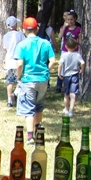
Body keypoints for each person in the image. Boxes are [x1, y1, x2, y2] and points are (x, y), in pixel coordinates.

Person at [14, 16, 55, 144]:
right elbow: (53, 61)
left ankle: (30, 136)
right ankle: (38, 132)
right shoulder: (45, 43)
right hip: (43, 80)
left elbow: (19, 64)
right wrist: (46, 71)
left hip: (28, 80)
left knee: (28, 109)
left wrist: (19, 76)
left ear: (24, 30)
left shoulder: (21, 45)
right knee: (39, 106)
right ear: (37, 28)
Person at [56, 10, 83, 92]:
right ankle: (59, 85)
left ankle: (73, 85)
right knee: (62, 66)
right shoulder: (63, 28)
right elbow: (60, 36)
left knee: (73, 67)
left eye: (71, 19)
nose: (69, 21)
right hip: (65, 50)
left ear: (74, 19)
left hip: (74, 51)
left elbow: (80, 41)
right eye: (68, 19)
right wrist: (64, 27)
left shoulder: (78, 29)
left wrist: (77, 46)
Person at [2, 15, 26, 107]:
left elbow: (5, 47)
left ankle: (9, 100)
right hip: (18, 61)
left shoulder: (5, 36)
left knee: (9, 82)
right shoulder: (20, 35)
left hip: (9, 61)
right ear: (15, 25)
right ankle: (15, 93)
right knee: (20, 80)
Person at [58, 37, 85, 117]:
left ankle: (66, 108)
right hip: (75, 75)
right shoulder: (77, 55)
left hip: (66, 76)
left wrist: (59, 73)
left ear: (65, 46)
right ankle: (71, 110)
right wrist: (82, 70)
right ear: (76, 47)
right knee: (73, 94)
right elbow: (83, 63)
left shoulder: (64, 55)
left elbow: (60, 65)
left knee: (66, 94)